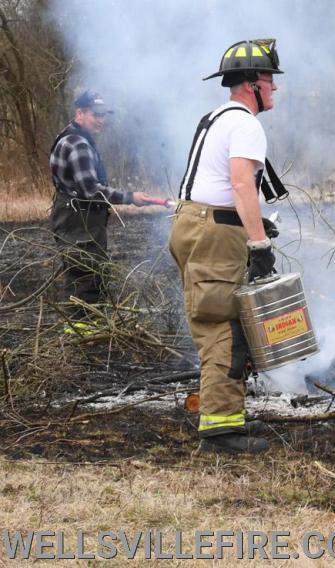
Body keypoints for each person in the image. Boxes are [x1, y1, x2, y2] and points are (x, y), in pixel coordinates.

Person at [169, 39, 283, 455]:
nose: (274, 88)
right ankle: (220, 432)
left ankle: (226, 412)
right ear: (251, 83)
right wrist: (258, 242)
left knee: (217, 321)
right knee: (225, 328)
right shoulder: (247, 124)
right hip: (214, 233)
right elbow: (239, 183)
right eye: (269, 79)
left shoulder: (216, 117)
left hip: (197, 225)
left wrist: (253, 223)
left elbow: (218, 184)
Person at [49, 91, 156, 332]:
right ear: (80, 113)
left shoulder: (70, 136)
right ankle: (84, 334)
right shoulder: (78, 144)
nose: (101, 120)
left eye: (103, 115)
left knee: (86, 272)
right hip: (79, 221)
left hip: (72, 217)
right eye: (95, 115)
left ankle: (89, 328)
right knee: (86, 274)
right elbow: (90, 190)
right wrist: (130, 198)